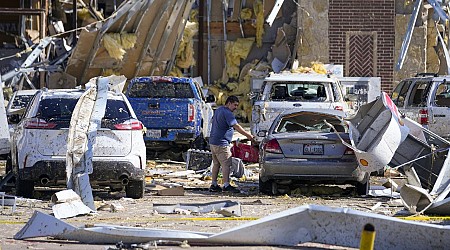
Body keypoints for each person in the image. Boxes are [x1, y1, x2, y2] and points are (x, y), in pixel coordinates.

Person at [209, 95, 255, 193]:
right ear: (229, 103)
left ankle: (214, 184)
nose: (235, 107)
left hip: (213, 142)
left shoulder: (218, 110)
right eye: (234, 105)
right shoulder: (227, 113)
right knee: (226, 164)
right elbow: (236, 126)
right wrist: (249, 136)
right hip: (222, 143)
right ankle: (226, 185)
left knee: (216, 164)